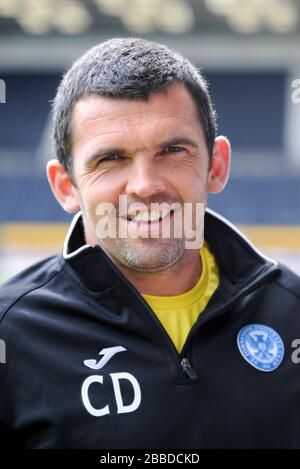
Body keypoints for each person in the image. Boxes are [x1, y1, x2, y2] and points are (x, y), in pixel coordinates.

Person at [0, 37, 299, 449]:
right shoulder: (10, 336)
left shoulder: (292, 310)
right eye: (111, 159)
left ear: (216, 165)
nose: (146, 186)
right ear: (65, 187)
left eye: (173, 150)